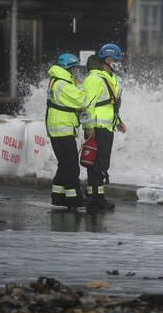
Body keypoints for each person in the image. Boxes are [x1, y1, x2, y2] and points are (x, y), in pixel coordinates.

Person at [81, 43, 126, 212]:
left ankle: (96, 197)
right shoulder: (94, 79)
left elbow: (110, 105)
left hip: (107, 127)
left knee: (102, 164)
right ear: (107, 60)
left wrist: (118, 121)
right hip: (97, 127)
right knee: (96, 165)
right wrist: (89, 128)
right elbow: (87, 106)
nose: (118, 63)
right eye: (116, 60)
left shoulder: (111, 78)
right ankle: (95, 200)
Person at [46, 53, 89, 209]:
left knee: (64, 164)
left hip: (58, 129)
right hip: (63, 129)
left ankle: (57, 196)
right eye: (74, 68)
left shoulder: (56, 80)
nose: (75, 72)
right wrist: (82, 87)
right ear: (68, 68)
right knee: (71, 166)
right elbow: (82, 100)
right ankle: (74, 199)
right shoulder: (63, 85)